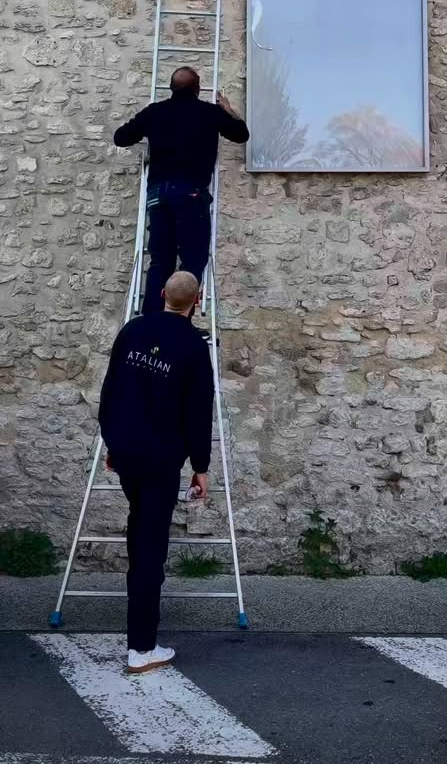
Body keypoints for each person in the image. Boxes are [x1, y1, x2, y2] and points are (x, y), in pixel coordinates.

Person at [98, 271, 214, 673]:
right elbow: (199, 412)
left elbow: (110, 391)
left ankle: (141, 636)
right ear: (197, 302)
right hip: (161, 458)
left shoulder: (132, 331)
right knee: (150, 548)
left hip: (128, 452)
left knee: (140, 534)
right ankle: (142, 648)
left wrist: (113, 443)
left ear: (162, 294)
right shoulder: (194, 347)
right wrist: (201, 467)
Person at [114, 66, 249, 314]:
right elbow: (241, 135)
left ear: (171, 88)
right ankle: (178, 325)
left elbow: (120, 137)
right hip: (190, 194)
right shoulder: (209, 113)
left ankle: (152, 324)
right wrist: (229, 111)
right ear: (197, 89)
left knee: (160, 262)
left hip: (159, 196)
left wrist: (148, 127)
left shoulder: (155, 112)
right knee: (192, 263)